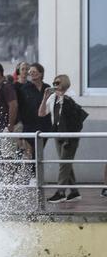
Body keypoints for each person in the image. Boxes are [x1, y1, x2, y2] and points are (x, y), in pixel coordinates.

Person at [38, 74, 88, 202]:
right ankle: (74, 192)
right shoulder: (53, 97)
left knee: (64, 163)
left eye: (58, 83)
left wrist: (61, 96)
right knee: (66, 163)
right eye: (54, 83)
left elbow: (71, 109)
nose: (55, 86)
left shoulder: (70, 95)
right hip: (57, 134)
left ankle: (60, 192)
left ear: (64, 83)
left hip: (70, 135)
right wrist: (45, 98)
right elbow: (41, 113)